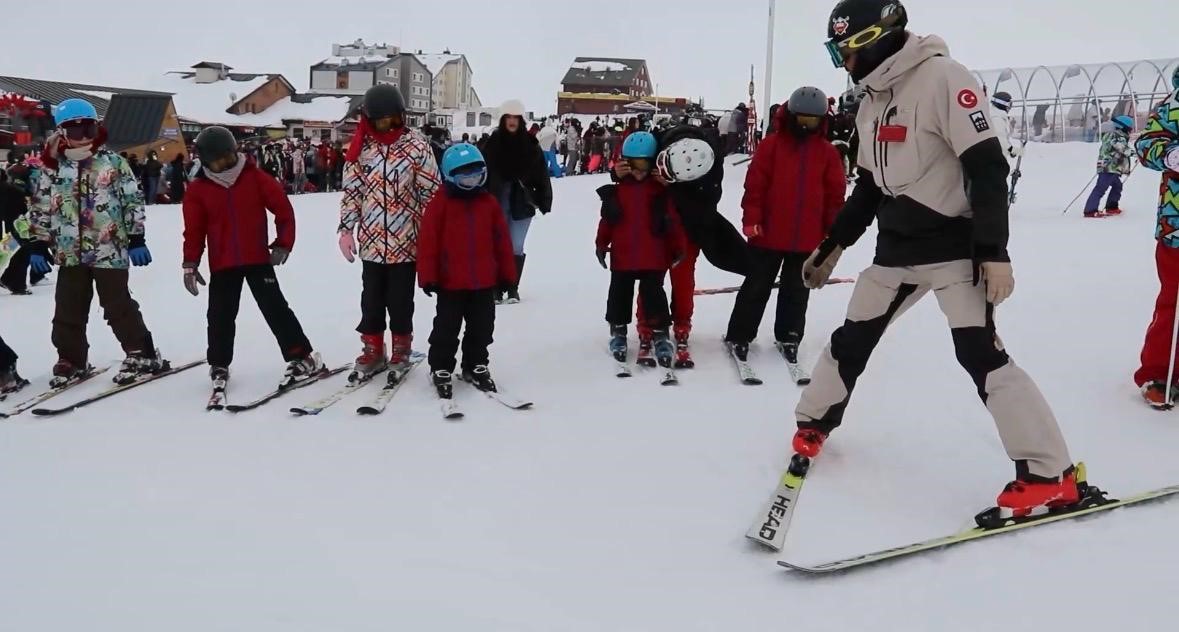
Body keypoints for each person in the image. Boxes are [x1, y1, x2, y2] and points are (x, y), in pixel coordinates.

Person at [796, 0, 1080, 516]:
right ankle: (814, 422)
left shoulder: (945, 78)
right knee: (852, 338)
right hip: (895, 250)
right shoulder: (872, 100)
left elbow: (987, 167)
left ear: (875, 41)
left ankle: (1051, 474)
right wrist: (834, 244)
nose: (844, 64)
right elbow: (869, 186)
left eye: (845, 52)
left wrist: (994, 251)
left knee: (981, 354)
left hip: (954, 251)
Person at [30, 98, 166, 387]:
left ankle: (141, 352)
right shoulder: (52, 167)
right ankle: (71, 358)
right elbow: (41, 206)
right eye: (74, 130)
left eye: (88, 129)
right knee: (68, 308)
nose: (82, 136)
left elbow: (132, 200)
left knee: (118, 305)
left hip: (109, 249)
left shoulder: (112, 162)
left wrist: (136, 238)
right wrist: (38, 244)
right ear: (61, 132)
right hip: (69, 251)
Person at [182, 126, 322, 391]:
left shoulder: (255, 178)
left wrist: (283, 243)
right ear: (206, 161)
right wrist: (190, 262)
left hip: (257, 258)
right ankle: (219, 363)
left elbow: (284, 211)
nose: (225, 165)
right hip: (223, 262)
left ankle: (300, 355)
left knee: (275, 308)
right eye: (218, 162)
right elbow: (194, 230)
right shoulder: (199, 190)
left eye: (228, 158)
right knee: (220, 315)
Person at [724, 87, 846, 365]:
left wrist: (832, 231)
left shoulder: (827, 153)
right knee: (756, 286)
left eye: (812, 120)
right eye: (802, 118)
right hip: (767, 234)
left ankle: (790, 335)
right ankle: (740, 334)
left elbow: (835, 196)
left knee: (797, 290)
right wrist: (751, 220)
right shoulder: (771, 146)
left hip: (807, 237)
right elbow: (755, 187)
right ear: (791, 116)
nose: (806, 125)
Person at [338, 84, 440, 384]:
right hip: (372, 243)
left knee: (400, 300)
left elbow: (431, 194)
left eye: (393, 120)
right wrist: (346, 229)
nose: (389, 127)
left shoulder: (417, 146)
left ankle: (401, 348)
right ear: (370, 121)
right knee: (371, 299)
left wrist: (433, 234)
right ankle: (372, 349)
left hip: (406, 241)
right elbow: (353, 193)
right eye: (382, 122)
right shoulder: (362, 149)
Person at [418, 142, 517, 398]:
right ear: (450, 177)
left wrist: (507, 275)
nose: (472, 182)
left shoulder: (489, 203)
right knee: (446, 328)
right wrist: (428, 276)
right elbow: (428, 241)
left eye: (477, 176)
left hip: (483, 282)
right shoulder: (440, 204)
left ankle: (475, 363)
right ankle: (441, 366)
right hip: (450, 283)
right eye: (466, 178)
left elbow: (502, 242)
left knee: (482, 327)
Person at [597, 131, 686, 366]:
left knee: (654, 297)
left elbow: (673, 222)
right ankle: (618, 332)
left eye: (643, 164)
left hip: (653, 257)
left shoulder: (660, 192)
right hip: (623, 257)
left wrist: (678, 247)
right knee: (619, 296)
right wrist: (601, 244)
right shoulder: (617, 192)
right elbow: (607, 220)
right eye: (633, 164)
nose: (638, 170)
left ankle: (660, 333)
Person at [1132, 66, 1179, 408]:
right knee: (1174, 300)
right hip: (1177, 225)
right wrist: (1172, 154)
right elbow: (1147, 143)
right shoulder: (1175, 104)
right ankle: (1160, 371)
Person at [481, 99, 553, 304]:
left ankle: (512, 286)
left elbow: (542, 174)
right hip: (497, 198)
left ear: (521, 120)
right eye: (508, 117)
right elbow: (482, 172)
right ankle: (495, 287)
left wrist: (544, 199)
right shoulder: (492, 144)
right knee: (497, 243)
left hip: (522, 200)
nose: (512, 121)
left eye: (516, 117)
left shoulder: (531, 145)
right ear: (503, 119)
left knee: (516, 245)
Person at [1082, 115, 1134, 218]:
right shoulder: (1117, 136)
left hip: (1110, 167)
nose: (1130, 131)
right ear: (1124, 127)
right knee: (1101, 188)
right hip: (1109, 167)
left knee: (1117, 186)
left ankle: (1112, 207)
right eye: (1130, 128)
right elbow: (1121, 148)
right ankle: (1090, 210)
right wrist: (1136, 153)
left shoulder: (1111, 135)